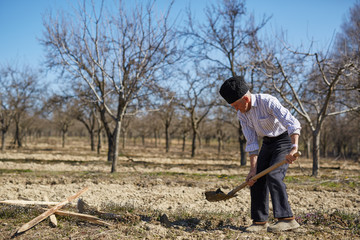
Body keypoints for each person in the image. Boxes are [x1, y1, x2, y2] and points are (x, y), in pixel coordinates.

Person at [219, 76, 301, 232]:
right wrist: (252, 169)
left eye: (236, 105)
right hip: (267, 143)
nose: (236, 109)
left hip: (283, 141)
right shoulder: (242, 114)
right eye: (233, 106)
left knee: (274, 175)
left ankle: (287, 219)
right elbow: (252, 142)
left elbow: (292, 122)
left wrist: (294, 147)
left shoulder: (268, 101)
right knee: (255, 179)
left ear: (245, 99)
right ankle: (259, 222)